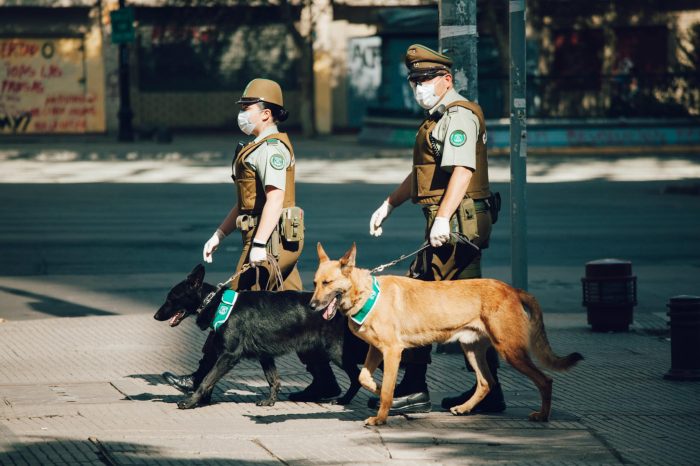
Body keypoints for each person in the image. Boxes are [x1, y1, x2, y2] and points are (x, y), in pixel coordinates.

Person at [162, 78, 341, 402]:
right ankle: (325, 381)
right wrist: (220, 233)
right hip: (271, 241)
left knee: (226, 310)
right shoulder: (256, 147)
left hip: (268, 244)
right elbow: (248, 202)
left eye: (248, 107)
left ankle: (200, 381)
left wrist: (257, 246)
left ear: (267, 113)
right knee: (303, 313)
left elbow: (274, 199)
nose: (242, 113)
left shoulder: (271, 149)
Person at [367, 44, 505, 414]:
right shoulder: (436, 118)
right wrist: (389, 203)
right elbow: (422, 175)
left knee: (441, 304)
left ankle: (418, 387)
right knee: (437, 301)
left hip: (458, 224)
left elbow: (462, 172)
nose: (419, 87)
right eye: (414, 80)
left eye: (426, 79)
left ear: (446, 80)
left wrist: (443, 218)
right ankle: (482, 391)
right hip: (445, 221)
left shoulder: (458, 116)